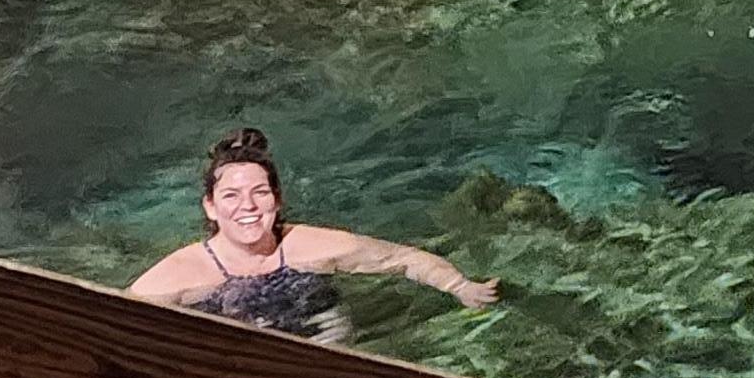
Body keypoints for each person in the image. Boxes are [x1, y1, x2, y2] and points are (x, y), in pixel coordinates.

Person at [128, 127, 499, 330]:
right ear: (210, 206)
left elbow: (403, 259)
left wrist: (461, 287)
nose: (248, 207)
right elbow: (122, 320)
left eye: (260, 193)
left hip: (323, 340)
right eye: (231, 196)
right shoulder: (180, 275)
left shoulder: (310, 247)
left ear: (277, 200)